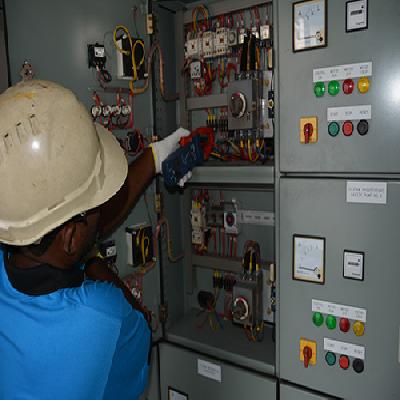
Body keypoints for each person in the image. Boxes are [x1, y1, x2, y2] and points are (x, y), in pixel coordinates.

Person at [0, 80, 190, 399]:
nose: (102, 211)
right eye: (96, 206)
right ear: (70, 239)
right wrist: (93, 262)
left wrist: (154, 158)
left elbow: (74, 234)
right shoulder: (102, 315)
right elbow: (143, 329)